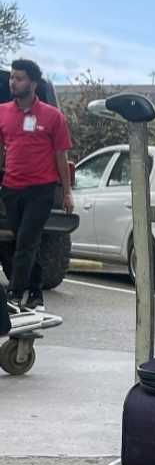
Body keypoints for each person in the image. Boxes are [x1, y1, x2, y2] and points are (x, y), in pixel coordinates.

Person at [0, 60, 73, 311]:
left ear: (32, 83)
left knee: (27, 242)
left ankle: (13, 294)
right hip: (11, 188)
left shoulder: (52, 116)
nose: (13, 82)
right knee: (19, 241)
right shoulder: (2, 112)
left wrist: (66, 192)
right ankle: (35, 294)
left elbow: (61, 156)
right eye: (11, 77)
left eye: (18, 78)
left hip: (41, 190)